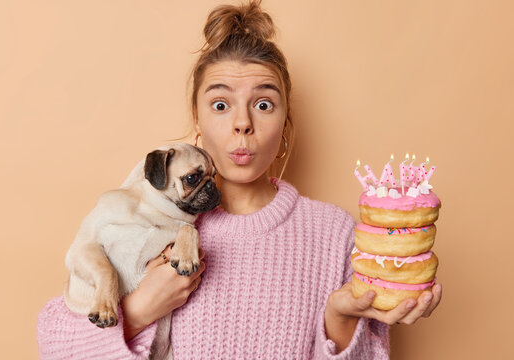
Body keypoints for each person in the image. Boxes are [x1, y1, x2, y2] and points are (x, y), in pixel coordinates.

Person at [37, 1, 442, 359]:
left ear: (285, 123)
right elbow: (54, 345)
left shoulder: (335, 235)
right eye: (220, 104)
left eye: (263, 104)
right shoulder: (154, 225)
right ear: (197, 120)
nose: (242, 123)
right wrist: (141, 310)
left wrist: (338, 318)